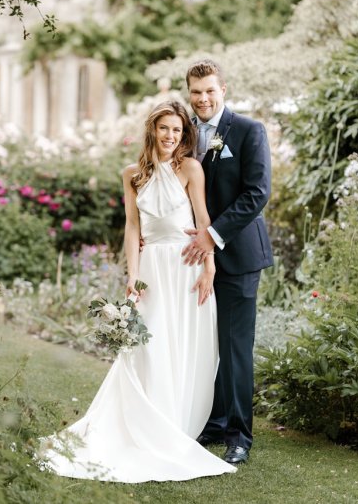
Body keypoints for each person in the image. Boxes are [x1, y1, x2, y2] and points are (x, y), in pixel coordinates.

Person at [41, 101, 236, 483]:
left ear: (184, 135)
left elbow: (203, 219)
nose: (170, 136)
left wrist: (209, 266)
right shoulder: (131, 174)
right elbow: (133, 227)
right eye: (164, 128)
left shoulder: (190, 168)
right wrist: (132, 274)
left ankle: (175, 424)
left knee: (187, 346)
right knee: (148, 346)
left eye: (177, 131)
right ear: (153, 130)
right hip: (152, 269)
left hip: (187, 266)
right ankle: (146, 425)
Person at [181, 59, 273, 465]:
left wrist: (212, 234)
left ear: (223, 90)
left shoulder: (249, 130)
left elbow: (257, 193)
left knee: (235, 347)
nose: (203, 99)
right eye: (196, 92)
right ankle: (213, 423)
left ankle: (239, 435)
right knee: (204, 343)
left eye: (210, 91)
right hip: (191, 260)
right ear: (189, 93)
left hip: (236, 254)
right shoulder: (183, 133)